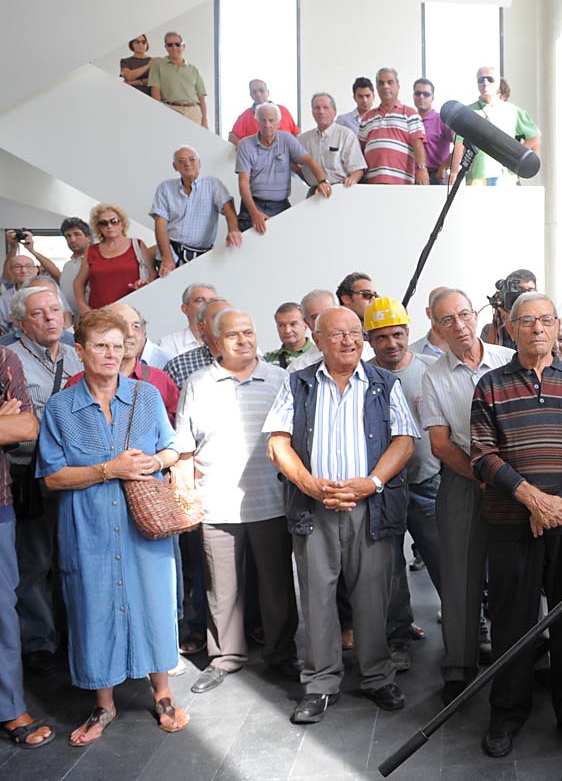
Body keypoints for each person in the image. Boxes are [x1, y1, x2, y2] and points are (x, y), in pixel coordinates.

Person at [39, 309, 188, 746]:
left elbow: (172, 448)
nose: (110, 354)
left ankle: (162, 694)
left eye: (118, 345)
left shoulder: (147, 396)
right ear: (80, 350)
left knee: (154, 603)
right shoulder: (61, 408)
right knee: (93, 607)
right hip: (88, 528)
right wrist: (108, 469)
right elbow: (51, 476)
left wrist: (155, 462)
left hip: (144, 525)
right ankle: (103, 705)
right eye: (100, 345)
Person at [469, 292, 562, 758]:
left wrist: (556, 503)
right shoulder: (490, 385)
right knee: (513, 622)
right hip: (512, 522)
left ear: (556, 326)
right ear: (510, 329)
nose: (536, 328)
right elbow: (482, 455)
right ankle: (506, 715)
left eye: (545, 320)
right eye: (526, 321)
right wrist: (530, 498)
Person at [264, 306, 419, 724]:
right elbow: (278, 442)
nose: (349, 340)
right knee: (315, 598)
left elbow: (404, 440)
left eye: (355, 332)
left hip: (369, 505)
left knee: (372, 596)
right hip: (314, 504)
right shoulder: (297, 383)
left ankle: (376, 675)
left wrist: (372, 482)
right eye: (338, 334)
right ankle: (319, 683)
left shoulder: (385, 383)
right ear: (318, 340)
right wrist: (309, 484)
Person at [174, 307, 299, 694]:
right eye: (232, 335)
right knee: (220, 588)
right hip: (217, 505)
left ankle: (280, 654)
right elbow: (184, 449)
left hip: (271, 502)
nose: (243, 340)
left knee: (277, 586)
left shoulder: (281, 379)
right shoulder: (198, 383)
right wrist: (186, 499)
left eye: (248, 331)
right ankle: (225, 656)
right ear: (214, 341)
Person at [420, 288, 514, 704]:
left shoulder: (507, 359)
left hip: (515, 480)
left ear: (476, 315)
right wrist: (482, 478)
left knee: (518, 572)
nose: (458, 327)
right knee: (459, 577)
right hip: (463, 481)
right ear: (433, 325)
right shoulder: (433, 375)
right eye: (446, 321)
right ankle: (459, 667)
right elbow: (440, 443)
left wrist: (507, 479)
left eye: (463, 315)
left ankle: (523, 657)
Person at [7, 287, 83, 678]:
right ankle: (38, 641)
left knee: (71, 556)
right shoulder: (10, 359)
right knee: (34, 561)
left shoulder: (75, 354)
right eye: (39, 314)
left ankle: (74, 633)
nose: (51, 318)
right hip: (27, 475)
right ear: (20, 323)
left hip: (73, 473)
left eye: (55, 310)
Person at [363, 297, 442, 670]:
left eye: (397, 335)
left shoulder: (431, 370)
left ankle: (470, 629)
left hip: (429, 482)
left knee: (447, 559)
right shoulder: (362, 377)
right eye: (381, 337)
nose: (391, 343)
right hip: (383, 489)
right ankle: (399, 635)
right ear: (369, 340)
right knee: (389, 568)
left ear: (408, 333)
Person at [0, 335, 53, 749]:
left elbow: (25, 425)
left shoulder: (4, 358)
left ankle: (9, 706)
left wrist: (8, 423)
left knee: (2, 610)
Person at [235, 103, 331, 236]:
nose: (267, 124)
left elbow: (309, 161)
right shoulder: (245, 145)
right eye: (263, 120)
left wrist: (322, 182)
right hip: (252, 206)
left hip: (281, 206)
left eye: (271, 120)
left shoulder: (287, 139)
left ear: (278, 123)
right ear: (257, 121)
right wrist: (254, 212)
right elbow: (243, 183)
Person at [150, 146, 241, 276]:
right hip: (171, 252)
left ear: (199, 163)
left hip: (201, 256)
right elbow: (160, 224)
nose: (187, 163)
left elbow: (228, 208)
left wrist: (233, 230)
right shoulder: (165, 188)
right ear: (175, 166)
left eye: (192, 159)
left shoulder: (213, 184)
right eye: (181, 161)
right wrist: (167, 257)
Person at [448, 65, 540, 187]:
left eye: (490, 79)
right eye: (481, 80)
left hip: (506, 178)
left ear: (498, 83)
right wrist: (454, 173)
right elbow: (459, 145)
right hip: (477, 176)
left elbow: (534, 136)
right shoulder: (467, 112)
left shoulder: (512, 110)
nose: (485, 83)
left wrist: (517, 158)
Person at [73, 203, 156, 314]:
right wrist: (83, 307)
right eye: (103, 223)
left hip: (132, 311)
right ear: (99, 228)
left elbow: (152, 275)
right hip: (100, 315)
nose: (109, 226)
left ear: (122, 223)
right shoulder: (91, 250)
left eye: (114, 221)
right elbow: (78, 282)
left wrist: (144, 283)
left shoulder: (137, 245)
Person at [359, 67, 428, 185]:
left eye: (390, 82)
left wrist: (422, 169)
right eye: (381, 83)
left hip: (401, 184)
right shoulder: (367, 118)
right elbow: (360, 151)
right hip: (371, 185)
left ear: (398, 86)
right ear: (377, 88)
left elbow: (418, 144)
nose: (385, 86)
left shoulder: (410, 113)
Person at [297, 93, 365, 189]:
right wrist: (306, 179)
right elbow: (292, 164)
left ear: (334, 111)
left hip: (340, 190)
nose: (321, 111)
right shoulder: (303, 139)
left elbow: (358, 169)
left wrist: (352, 180)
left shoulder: (346, 135)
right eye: (317, 108)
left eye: (325, 107)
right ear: (312, 112)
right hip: (314, 191)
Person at [163, 297, 231, 392]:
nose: (227, 322)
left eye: (230, 317)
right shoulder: (178, 367)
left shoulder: (254, 362)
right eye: (218, 317)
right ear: (201, 328)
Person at [148, 32, 208, 128]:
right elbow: (155, 94)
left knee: (193, 142)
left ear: (183, 46)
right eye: (170, 45)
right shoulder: (158, 65)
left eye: (177, 44)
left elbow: (201, 98)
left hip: (194, 112)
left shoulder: (193, 69)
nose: (174, 47)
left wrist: (204, 120)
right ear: (166, 47)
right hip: (171, 109)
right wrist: (159, 115)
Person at [228, 79, 300, 146]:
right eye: (254, 92)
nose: (258, 94)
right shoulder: (245, 116)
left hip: (285, 157)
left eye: (261, 90)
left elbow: (296, 134)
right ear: (251, 96)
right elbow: (232, 137)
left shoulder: (283, 110)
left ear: (267, 93)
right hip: (259, 158)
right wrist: (246, 151)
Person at [157, 283, 217, 360]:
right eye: (200, 300)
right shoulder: (169, 343)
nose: (207, 305)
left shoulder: (228, 339)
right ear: (185, 309)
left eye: (212, 301)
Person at [481, 268, 537, 349]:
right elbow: (490, 358)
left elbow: (529, 357)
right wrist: (497, 323)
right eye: (520, 290)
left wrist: (511, 325)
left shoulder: (540, 326)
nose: (525, 296)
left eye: (530, 291)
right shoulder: (489, 329)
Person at [411, 78, 453, 184]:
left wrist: (444, 167)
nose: (421, 97)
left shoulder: (441, 120)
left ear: (433, 97)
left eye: (426, 94)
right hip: (412, 176)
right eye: (418, 93)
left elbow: (460, 145)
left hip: (437, 176)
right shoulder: (409, 119)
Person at [58, 218, 92, 320]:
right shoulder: (67, 265)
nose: (72, 240)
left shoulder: (95, 262)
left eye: (77, 234)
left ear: (88, 238)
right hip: (71, 322)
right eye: (68, 236)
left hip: (91, 319)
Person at [0, 254, 42, 336]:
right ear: (10, 272)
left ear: (35, 269)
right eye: (17, 267)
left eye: (28, 266)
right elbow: (2, 329)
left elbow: (66, 315)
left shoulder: (50, 290)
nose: (24, 271)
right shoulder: (4, 298)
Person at [264, 301, 314, 369]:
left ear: (305, 325)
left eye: (293, 324)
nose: (287, 330)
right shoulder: (267, 359)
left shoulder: (319, 356)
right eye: (281, 325)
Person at [409, 286, 448, 358]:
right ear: (428, 313)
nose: (446, 316)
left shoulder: (472, 349)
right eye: (440, 310)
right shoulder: (410, 354)